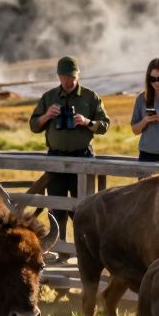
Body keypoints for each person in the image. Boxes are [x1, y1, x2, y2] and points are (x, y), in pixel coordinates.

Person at [29, 56, 110, 229]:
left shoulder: (90, 97)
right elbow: (33, 126)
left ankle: (85, 251)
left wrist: (87, 122)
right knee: (56, 209)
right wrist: (47, 116)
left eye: (72, 77)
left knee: (83, 209)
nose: (69, 81)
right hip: (55, 159)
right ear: (59, 76)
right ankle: (60, 250)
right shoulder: (49, 97)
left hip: (82, 158)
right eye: (65, 77)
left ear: (78, 75)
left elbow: (105, 125)